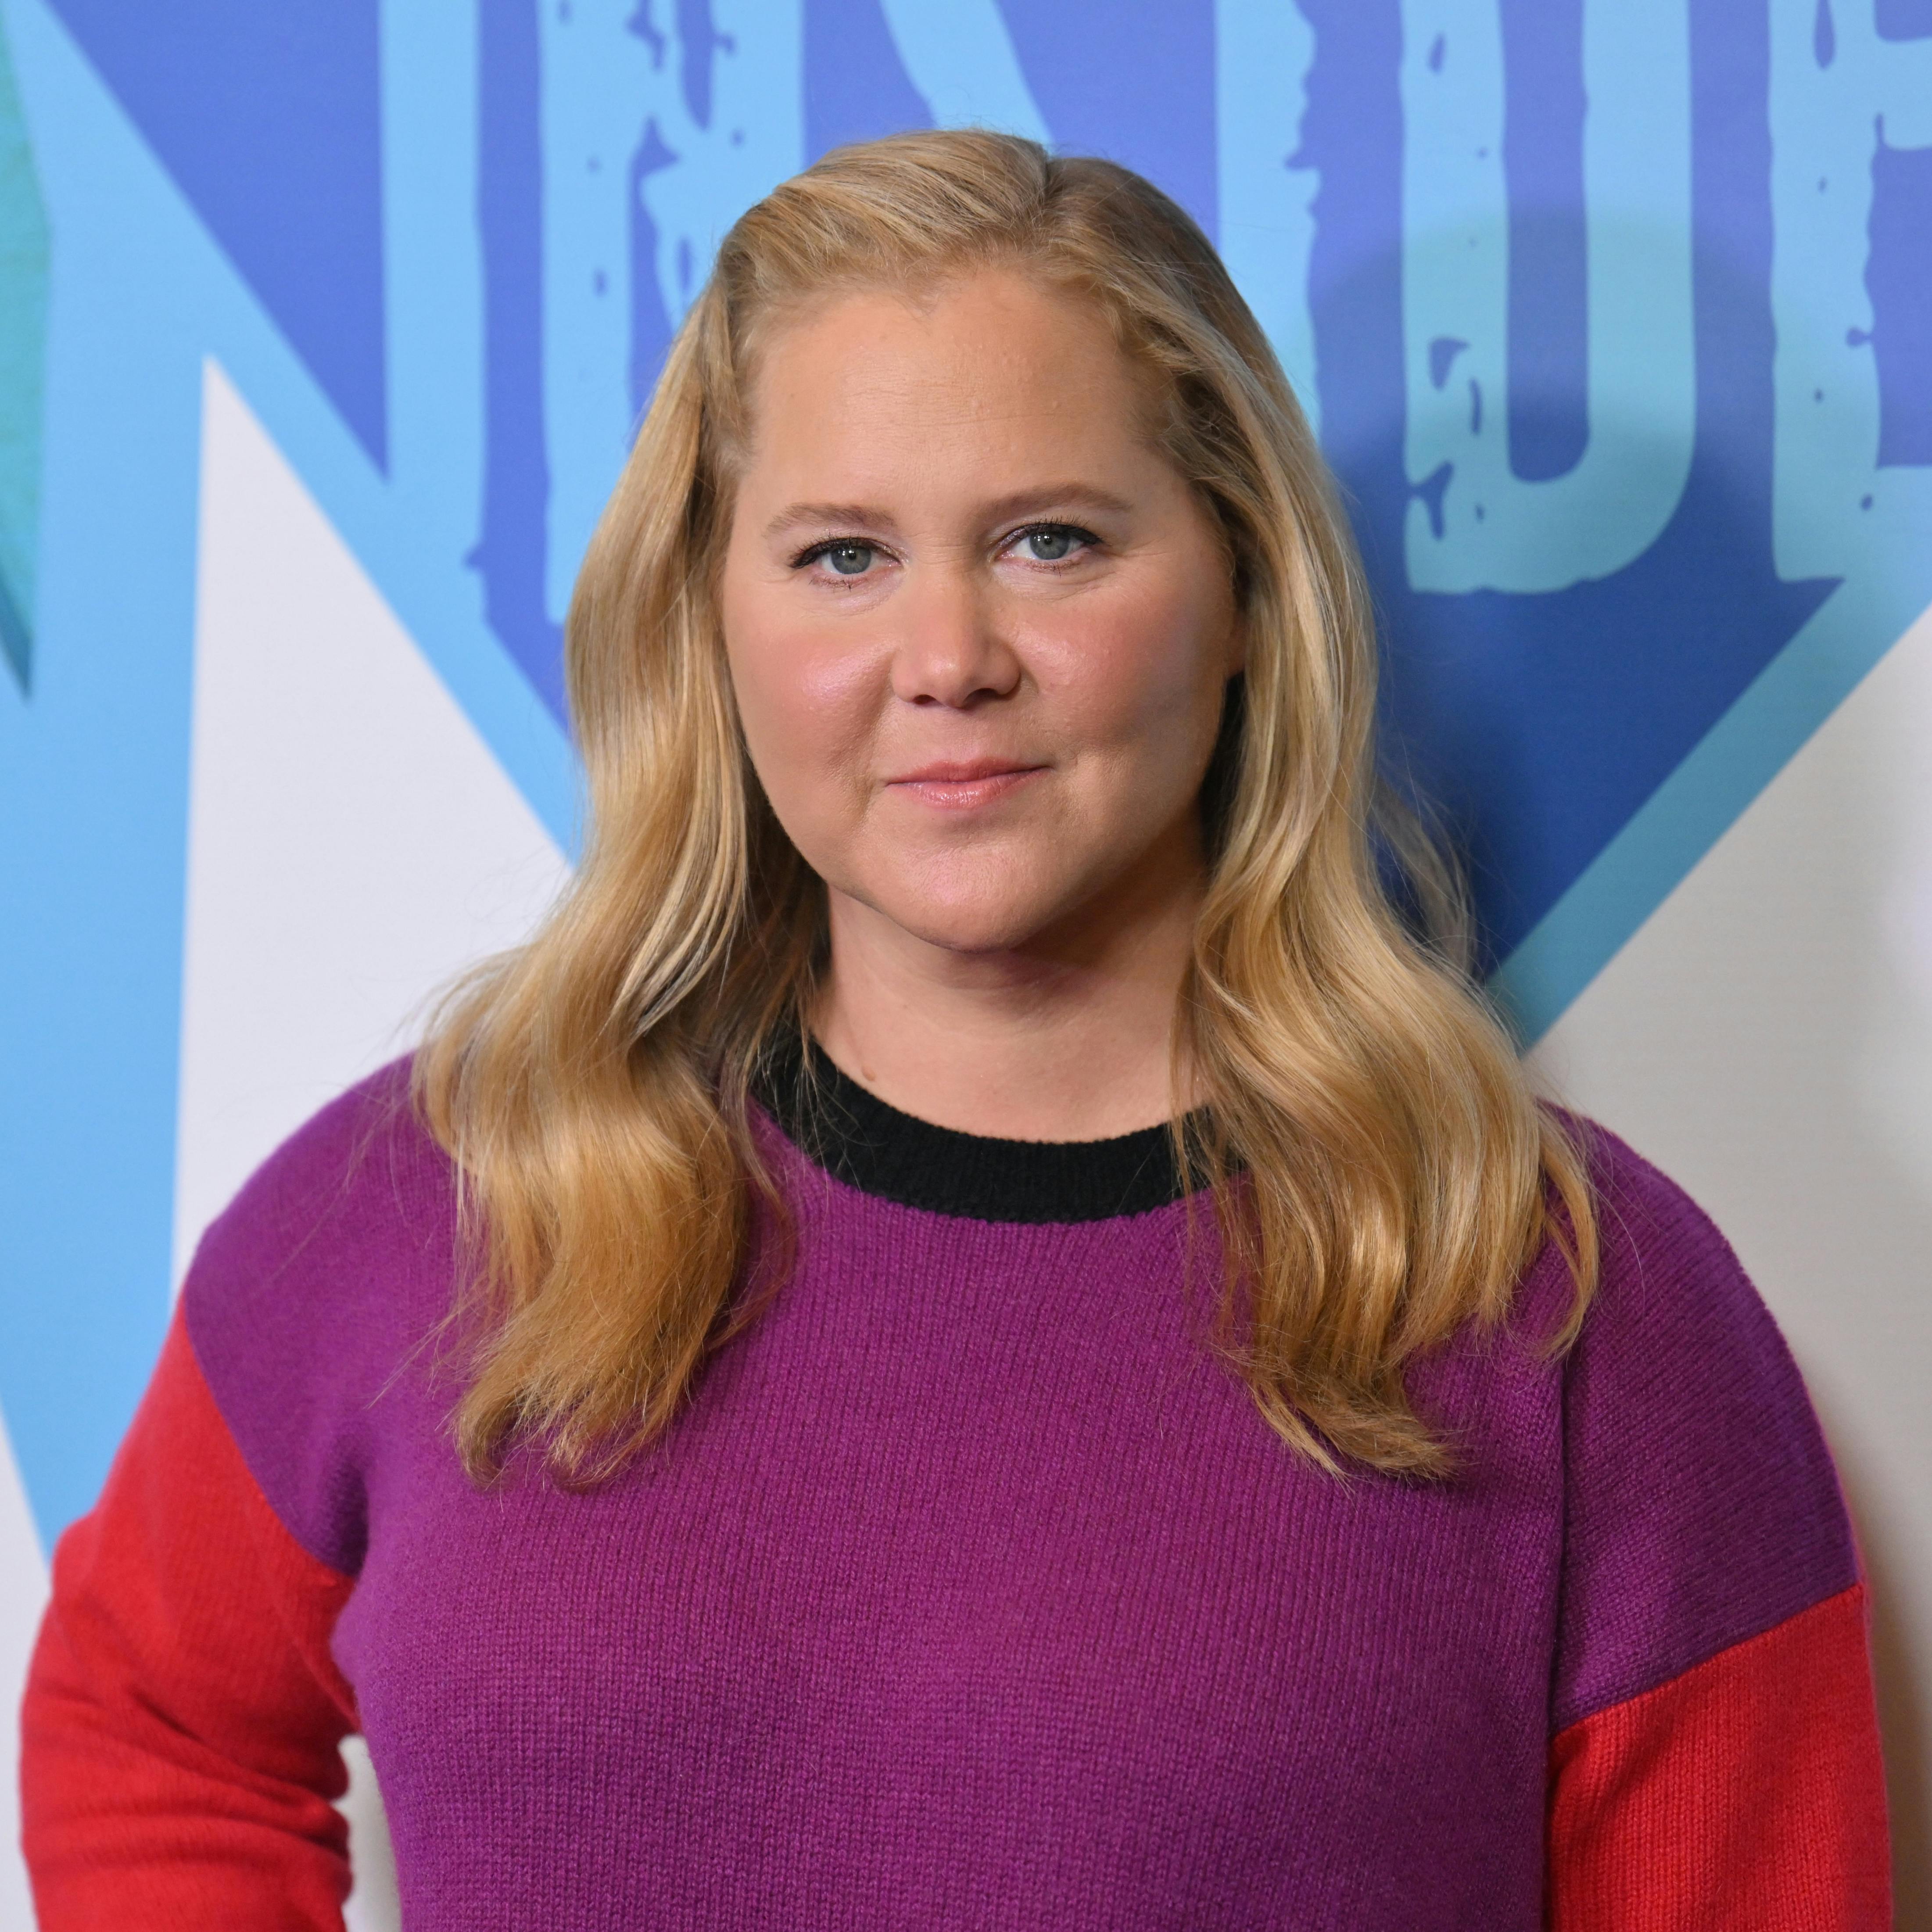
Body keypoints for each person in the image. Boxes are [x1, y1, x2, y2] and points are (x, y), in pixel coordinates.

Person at [22, 131, 1890, 1929]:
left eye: (1053, 542)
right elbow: (150, 1728)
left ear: (1243, 596)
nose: (948, 658)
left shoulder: (1569, 1298)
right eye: (843, 555)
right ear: (712, 619)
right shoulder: (435, 1202)